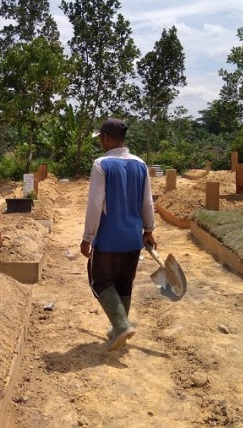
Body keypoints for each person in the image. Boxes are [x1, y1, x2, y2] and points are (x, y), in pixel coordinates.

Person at [80, 118, 156, 351]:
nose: (100, 142)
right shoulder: (140, 164)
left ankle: (122, 324)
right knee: (124, 282)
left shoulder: (101, 164)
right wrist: (149, 230)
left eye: (101, 138)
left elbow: (95, 204)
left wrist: (88, 237)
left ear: (106, 138)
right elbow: (147, 202)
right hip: (133, 238)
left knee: (100, 280)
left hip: (109, 238)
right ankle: (118, 326)